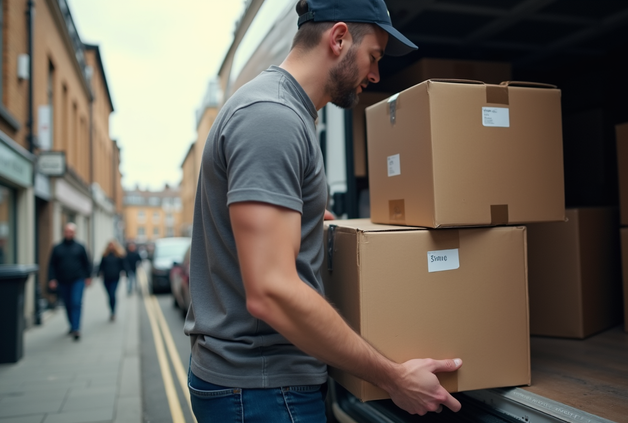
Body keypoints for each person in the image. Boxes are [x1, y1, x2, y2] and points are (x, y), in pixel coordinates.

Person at [184, 0, 462, 421]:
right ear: (338, 38)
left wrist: (304, 221)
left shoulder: (283, 111)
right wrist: (393, 377)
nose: (376, 74)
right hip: (262, 392)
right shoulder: (272, 118)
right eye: (375, 56)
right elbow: (272, 292)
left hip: (258, 388)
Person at [48, 223, 92, 341]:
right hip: (62, 280)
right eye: (67, 231)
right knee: (67, 304)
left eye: (71, 232)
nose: (69, 233)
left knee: (76, 303)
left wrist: (88, 277)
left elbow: (87, 263)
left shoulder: (80, 247)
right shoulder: (57, 248)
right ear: (64, 232)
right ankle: (72, 325)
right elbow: (52, 265)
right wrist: (51, 278)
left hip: (78, 280)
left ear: (74, 233)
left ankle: (76, 328)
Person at [97, 240, 129, 321]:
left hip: (115, 278)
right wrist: (98, 273)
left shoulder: (119, 255)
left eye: (112, 245)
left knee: (112, 294)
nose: (111, 247)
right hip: (106, 278)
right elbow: (101, 266)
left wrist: (126, 273)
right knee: (109, 295)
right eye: (110, 245)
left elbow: (124, 265)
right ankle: (111, 309)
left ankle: (113, 312)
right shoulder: (105, 255)